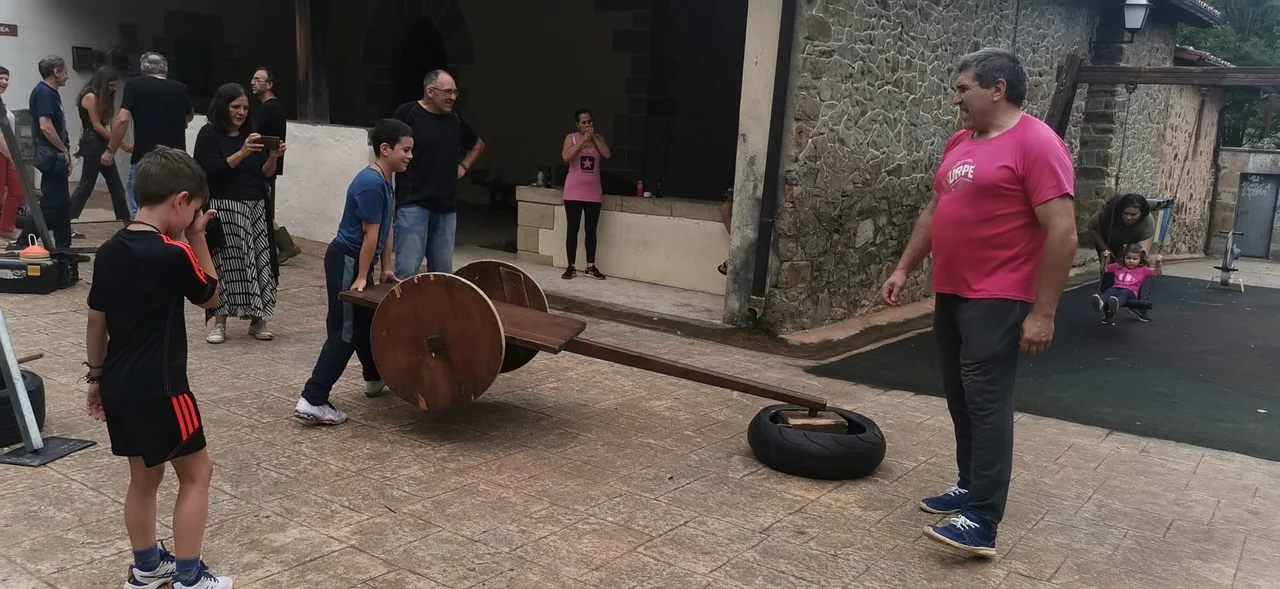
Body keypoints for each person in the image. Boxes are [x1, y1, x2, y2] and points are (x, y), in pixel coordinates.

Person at [879, 47, 1077, 557]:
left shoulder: (1038, 143)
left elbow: (1062, 232)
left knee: (987, 402)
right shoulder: (960, 142)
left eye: (963, 88)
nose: (956, 99)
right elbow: (933, 211)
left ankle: (984, 520)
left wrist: (1044, 312)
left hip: (1000, 295)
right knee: (960, 395)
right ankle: (969, 485)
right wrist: (904, 268)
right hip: (952, 291)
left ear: (998, 88)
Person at [84, 146, 232, 589]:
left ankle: (147, 567)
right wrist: (198, 238)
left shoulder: (109, 250)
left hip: (119, 384)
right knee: (198, 474)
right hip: (164, 389)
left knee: (144, 478)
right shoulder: (173, 252)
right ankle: (189, 577)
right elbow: (211, 296)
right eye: (194, 210)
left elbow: (96, 321)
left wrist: (96, 379)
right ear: (180, 201)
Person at [294, 119, 414, 425]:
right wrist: (361, 276)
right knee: (345, 331)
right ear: (385, 149)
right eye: (405, 150)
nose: (410, 156)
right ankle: (313, 398)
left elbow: (386, 228)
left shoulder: (387, 179)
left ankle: (374, 378)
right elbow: (369, 235)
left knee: (366, 321)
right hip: (347, 260)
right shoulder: (370, 183)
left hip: (358, 262)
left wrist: (386, 268)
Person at [192, 83, 285, 344]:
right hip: (225, 208)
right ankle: (220, 322)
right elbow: (208, 171)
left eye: (245, 107)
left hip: (255, 207)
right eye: (235, 107)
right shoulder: (209, 134)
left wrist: (273, 156)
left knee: (258, 262)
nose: (241, 112)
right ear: (223, 106)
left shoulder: (251, 135)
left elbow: (264, 173)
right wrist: (242, 153)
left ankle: (258, 318)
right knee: (225, 264)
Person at [391, 69, 485, 278]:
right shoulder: (407, 113)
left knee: (443, 275)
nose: (452, 97)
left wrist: (463, 167)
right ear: (430, 91)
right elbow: (387, 146)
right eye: (447, 92)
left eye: (455, 92)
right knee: (406, 272)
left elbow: (477, 144)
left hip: (446, 209)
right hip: (413, 204)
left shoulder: (454, 120)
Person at [103, 51, 194, 219]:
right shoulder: (181, 88)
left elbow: (122, 119)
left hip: (146, 156)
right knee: (171, 204)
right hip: (176, 158)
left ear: (143, 69)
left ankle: (142, 231)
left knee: (140, 204)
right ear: (165, 69)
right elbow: (189, 115)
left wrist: (110, 151)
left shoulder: (135, 85)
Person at [19, 56, 73, 250]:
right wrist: (63, 150)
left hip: (55, 154)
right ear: (56, 72)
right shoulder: (44, 93)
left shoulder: (51, 93)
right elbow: (46, 126)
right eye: (65, 71)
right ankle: (23, 241)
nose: (67, 76)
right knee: (52, 204)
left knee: (62, 205)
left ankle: (63, 246)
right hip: (51, 156)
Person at [250, 66, 302, 264]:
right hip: (264, 163)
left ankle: (283, 246)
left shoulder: (270, 108)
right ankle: (285, 245)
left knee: (262, 207)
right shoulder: (269, 107)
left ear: (269, 84)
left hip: (265, 164)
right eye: (253, 79)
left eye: (258, 79)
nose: (253, 83)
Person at [70, 66, 131, 227]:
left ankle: (126, 220)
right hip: (93, 143)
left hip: (98, 142)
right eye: (111, 85)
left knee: (115, 185)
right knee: (87, 185)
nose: (114, 88)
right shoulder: (90, 97)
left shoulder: (100, 98)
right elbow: (96, 126)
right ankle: (67, 220)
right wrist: (121, 143)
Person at [560, 108, 610, 280]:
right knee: (572, 229)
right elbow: (566, 156)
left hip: (593, 193)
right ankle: (571, 266)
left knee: (591, 230)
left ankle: (590, 266)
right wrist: (582, 141)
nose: (587, 125)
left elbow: (607, 154)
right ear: (577, 124)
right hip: (573, 193)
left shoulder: (598, 138)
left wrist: (593, 138)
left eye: (589, 121)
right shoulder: (571, 138)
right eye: (584, 122)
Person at [1091, 244, 1162, 325]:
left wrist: (1159, 263)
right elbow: (1104, 269)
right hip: (1116, 287)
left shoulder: (1143, 269)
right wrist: (1104, 258)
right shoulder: (1118, 266)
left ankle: (1116, 304)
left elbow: (1157, 273)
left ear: (1141, 259)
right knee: (1109, 291)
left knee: (1123, 293)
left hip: (1131, 291)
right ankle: (1100, 303)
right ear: (1123, 257)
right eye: (1128, 258)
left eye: (1135, 259)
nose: (1131, 261)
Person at [1087, 192, 1154, 265]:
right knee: (1107, 266)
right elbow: (1091, 227)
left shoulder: (1147, 221)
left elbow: (1142, 253)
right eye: (1126, 213)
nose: (1128, 217)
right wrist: (1104, 248)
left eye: (1133, 215)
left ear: (1141, 214)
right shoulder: (1108, 213)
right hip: (1108, 242)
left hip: (1133, 246)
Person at [0, 65, 25, 242]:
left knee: (18, 190)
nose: (4, 82)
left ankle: (5, 227)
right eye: (1, 78)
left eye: (6, 79)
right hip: (3, 152)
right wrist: (11, 155)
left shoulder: (3, 104)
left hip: (7, 153)